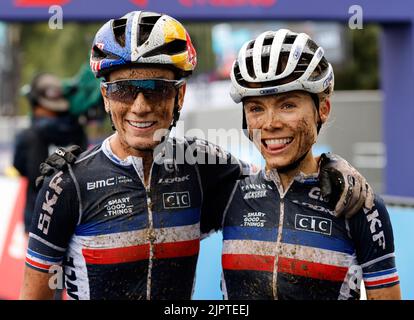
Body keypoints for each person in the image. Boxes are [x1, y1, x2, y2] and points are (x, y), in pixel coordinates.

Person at [21, 11, 371, 300]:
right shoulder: (68, 184)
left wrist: (334, 165)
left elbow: (277, 179)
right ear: (106, 96)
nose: (140, 107)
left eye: (156, 89)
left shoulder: (203, 167)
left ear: (180, 96)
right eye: (124, 90)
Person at [220, 29, 401, 300]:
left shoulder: (359, 204)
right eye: (256, 108)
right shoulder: (228, 192)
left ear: (323, 109)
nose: (270, 124)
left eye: (288, 105)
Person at [13, 72, 88, 234]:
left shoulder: (27, 136)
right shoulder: (78, 131)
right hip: (77, 220)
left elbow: (18, 167)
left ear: (37, 104)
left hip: (37, 219)